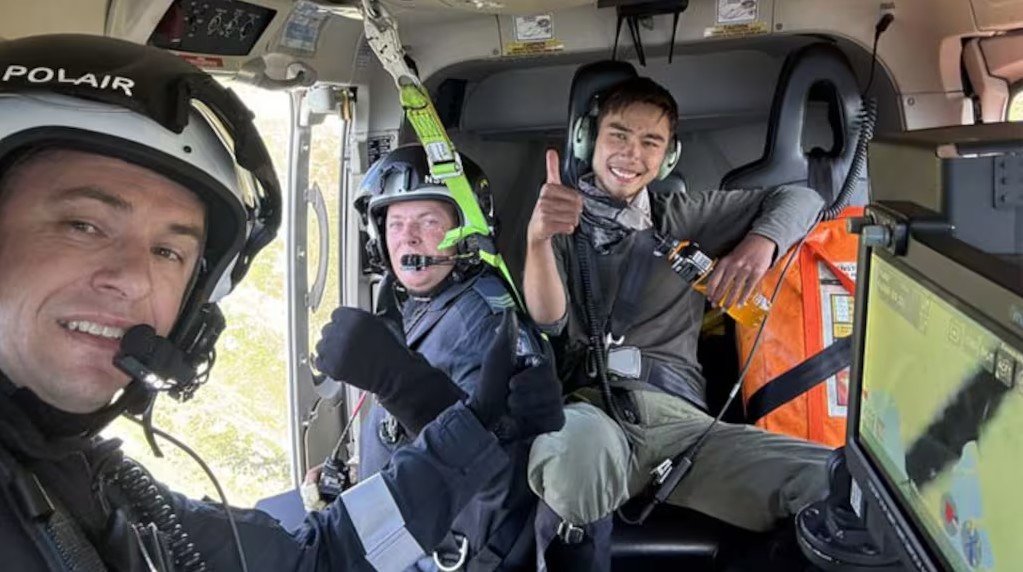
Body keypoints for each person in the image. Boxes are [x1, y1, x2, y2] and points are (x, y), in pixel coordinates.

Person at [0, 33, 563, 571]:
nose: (131, 279)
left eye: (168, 251)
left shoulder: (87, 478)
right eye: (82, 225)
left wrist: (442, 410)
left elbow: (324, 558)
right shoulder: (405, 311)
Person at [522, 75, 833, 570]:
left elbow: (805, 199)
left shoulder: (685, 216)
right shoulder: (559, 218)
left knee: (835, 482)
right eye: (618, 135)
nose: (632, 154)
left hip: (687, 430)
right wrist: (538, 240)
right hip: (595, 413)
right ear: (588, 140)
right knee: (574, 456)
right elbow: (549, 320)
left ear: (668, 157)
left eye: (651, 142)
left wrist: (759, 246)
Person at [317, 144, 559, 571]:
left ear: (465, 231)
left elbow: (494, 475)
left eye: (428, 222)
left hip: (449, 555)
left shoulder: (483, 320)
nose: (408, 238)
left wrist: (398, 381)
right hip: (406, 530)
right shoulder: (417, 305)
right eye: (395, 224)